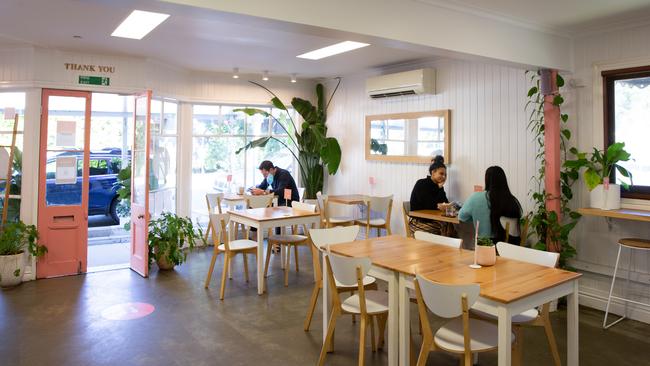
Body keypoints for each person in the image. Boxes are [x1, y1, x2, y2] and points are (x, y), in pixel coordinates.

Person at [458, 166, 522, 243]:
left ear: (486, 180)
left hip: (486, 245)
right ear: (504, 180)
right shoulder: (512, 200)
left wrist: (476, 216)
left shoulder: (476, 197)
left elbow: (462, 217)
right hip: (512, 247)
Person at [409, 155, 454, 236]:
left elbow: (445, 203)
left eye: (445, 175)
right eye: (441, 174)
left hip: (433, 220)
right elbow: (429, 204)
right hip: (419, 222)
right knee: (447, 228)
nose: (443, 177)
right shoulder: (421, 183)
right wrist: (440, 205)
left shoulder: (438, 186)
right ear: (433, 172)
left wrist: (440, 188)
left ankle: (445, 247)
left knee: (450, 227)